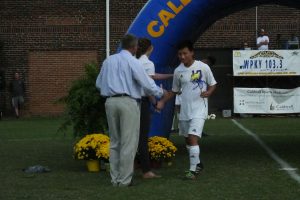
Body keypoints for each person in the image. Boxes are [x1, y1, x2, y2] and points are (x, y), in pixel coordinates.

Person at [96, 34, 166, 187]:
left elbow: (99, 83)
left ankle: (115, 179)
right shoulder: (133, 62)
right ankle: (125, 180)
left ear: (122, 45)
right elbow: (146, 83)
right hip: (128, 102)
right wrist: (160, 93)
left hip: (110, 101)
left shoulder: (108, 61)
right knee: (129, 142)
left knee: (115, 142)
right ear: (134, 47)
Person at [156, 40, 217, 180]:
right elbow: (174, 91)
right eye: (179, 54)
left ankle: (192, 170)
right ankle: (198, 163)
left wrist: (209, 92)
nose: (182, 57)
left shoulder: (203, 67)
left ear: (191, 52)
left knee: (192, 138)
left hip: (199, 109)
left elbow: (213, 84)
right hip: (184, 111)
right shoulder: (178, 71)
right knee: (187, 141)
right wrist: (162, 101)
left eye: (185, 53)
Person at [135, 37, 173, 179]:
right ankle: (146, 170)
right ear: (150, 48)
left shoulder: (135, 62)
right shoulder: (148, 63)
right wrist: (163, 94)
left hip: (132, 101)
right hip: (142, 102)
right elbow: (149, 85)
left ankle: (132, 164)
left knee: (132, 136)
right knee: (143, 137)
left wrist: (170, 75)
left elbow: (151, 78)